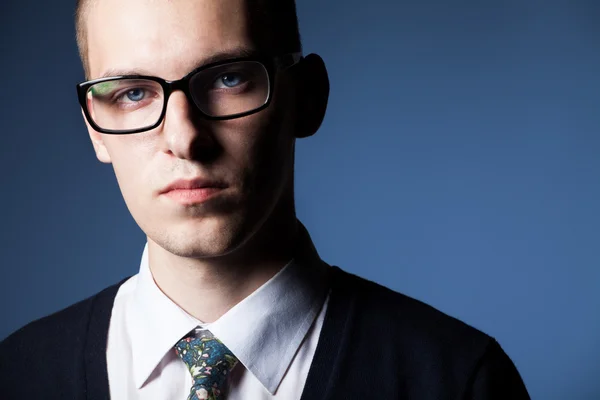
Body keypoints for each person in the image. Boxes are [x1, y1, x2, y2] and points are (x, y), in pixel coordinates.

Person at [0, 0, 530, 398]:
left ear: (307, 97)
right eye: (132, 93)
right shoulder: (19, 375)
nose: (184, 138)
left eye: (229, 78)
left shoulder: (457, 381)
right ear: (95, 129)